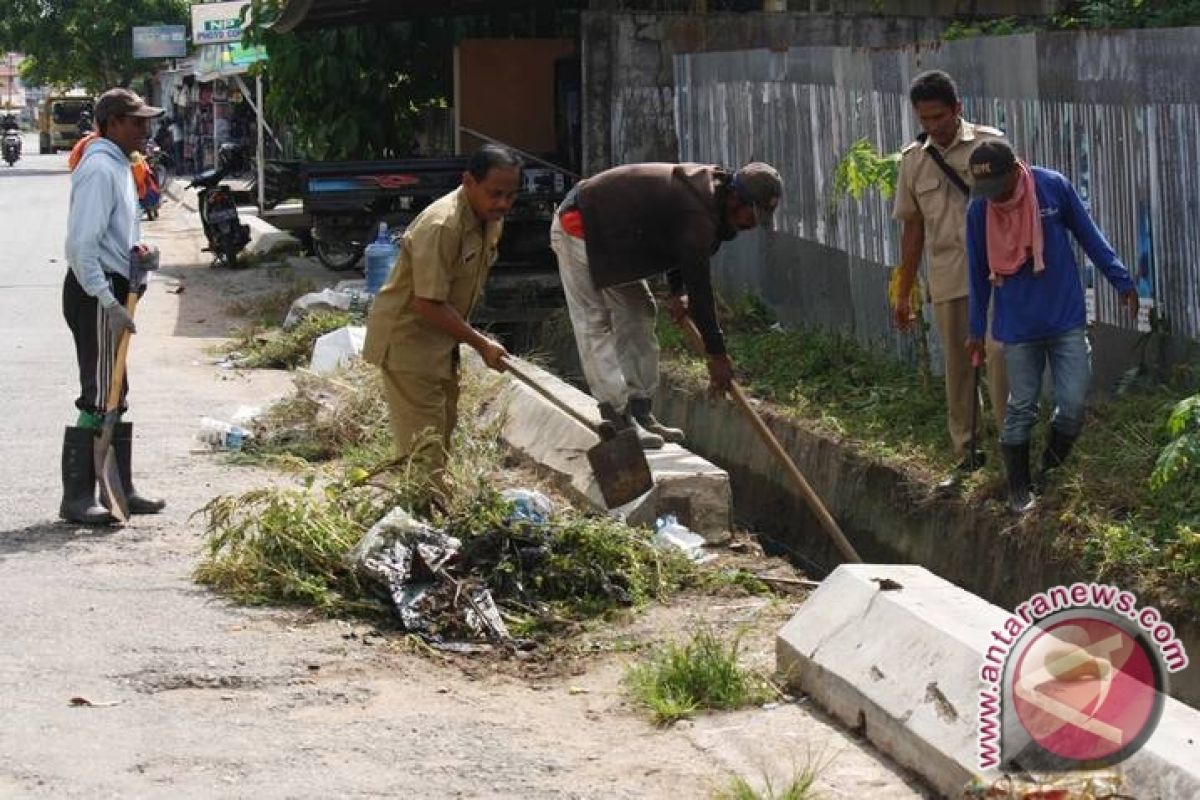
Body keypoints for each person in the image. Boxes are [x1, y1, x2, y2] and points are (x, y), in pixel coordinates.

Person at [550, 161, 782, 448]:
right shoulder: (698, 208)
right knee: (594, 323)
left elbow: (675, 239)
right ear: (736, 198)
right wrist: (717, 355)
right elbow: (701, 291)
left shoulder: (711, 201)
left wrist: (676, 290)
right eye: (752, 214)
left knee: (640, 310)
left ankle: (640, 410)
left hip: (617, 238)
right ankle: (618, 419)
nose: (751, 224)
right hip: (581, 226)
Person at [965, 141, 1138, 514]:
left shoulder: (1052, 187)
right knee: (1022, 405)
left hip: (1064, 317)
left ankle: (1047, 472)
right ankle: (1018, 489)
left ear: (1014, 170)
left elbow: (1089, 235)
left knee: (1073, 404)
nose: (995, 197)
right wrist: (976, 328)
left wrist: (1121, 280)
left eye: (999, 186)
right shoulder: (980, 210)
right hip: (1018, 325)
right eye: (987, 191)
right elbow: (977, 272)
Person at [362, 144, 520, 489]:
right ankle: (416, 520)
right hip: (408, 341)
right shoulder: (441, 224)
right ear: (468, 182)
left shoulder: (489, 220)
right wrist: (480, 343)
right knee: (424, 449)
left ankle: (424, 513)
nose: (502, 204)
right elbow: (427, 303)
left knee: (442, 434)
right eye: (495, 194)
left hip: (440, 342)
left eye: (510, 196)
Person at [892, 70, 1008, 485]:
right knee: (958, 367)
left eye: (938, 117)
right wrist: (903, 292)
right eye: (923, 119)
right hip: (947, 277)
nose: (932, 127)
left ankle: (1010, 451)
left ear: (957, 109)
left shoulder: (990, 144)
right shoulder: (913, 160)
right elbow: (913, 230)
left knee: (998, 357)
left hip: (996, 275)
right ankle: (966, 452)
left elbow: (1016, 203)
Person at [60, 88, 166, 525]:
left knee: (115, 389)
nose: (145, 129)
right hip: (95, 293)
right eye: (136, 121)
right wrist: (108, 301)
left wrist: (137, 252)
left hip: (114, 288)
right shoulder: (100, 168)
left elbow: (111, 235)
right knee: (100, 394)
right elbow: (80, 247)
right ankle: (78, 497)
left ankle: (120, 488)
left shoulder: (122, 165)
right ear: (112, 123)